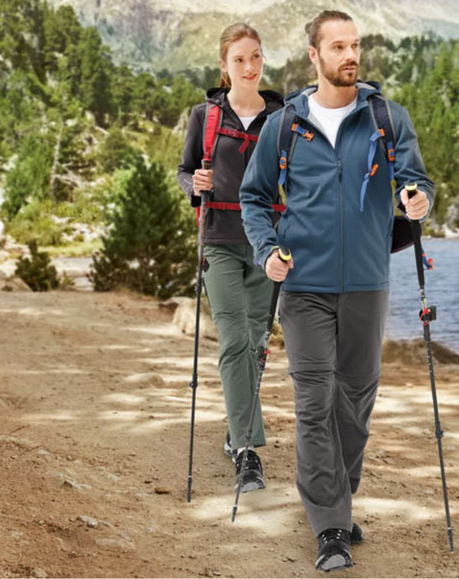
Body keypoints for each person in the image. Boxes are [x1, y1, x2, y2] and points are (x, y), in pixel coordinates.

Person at [239, 10, 434, 572]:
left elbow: (416, 182)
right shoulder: (286, 125)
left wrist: (416, 198)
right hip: (303, 285)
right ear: (314, 56)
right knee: (314, 402)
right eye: (339, 47)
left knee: (355, 404)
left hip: (369, 282)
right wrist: (267, 250)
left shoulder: (386, 120)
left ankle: (337, 500)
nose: (351, 56)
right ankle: (329, 527)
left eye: (356, 46)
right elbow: (255, 198)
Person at [177, 23, 284, 493]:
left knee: (258, 342)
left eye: (256, 57)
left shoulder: (282, 116)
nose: (249, 67)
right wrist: (193, 186)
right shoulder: (205, 115)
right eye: (239, 59)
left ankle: (235, 427)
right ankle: (246, 450)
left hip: (268, 246)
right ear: (225, 66)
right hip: (218, 240)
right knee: (235, 338)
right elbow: (185, 171)